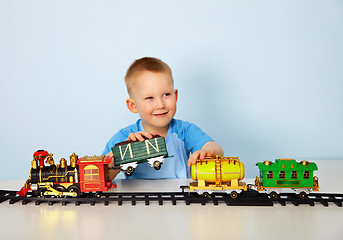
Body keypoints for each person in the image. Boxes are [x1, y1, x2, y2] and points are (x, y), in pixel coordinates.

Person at [102, 57, 223, 179]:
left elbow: (216, 149)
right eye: (150, 98)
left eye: (166, 95)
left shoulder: (185, 131)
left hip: (179, 197)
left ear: (175, 96)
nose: (160, 105)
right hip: (138, 198)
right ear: (133, 106)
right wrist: (121, 153)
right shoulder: (125, 136)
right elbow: (103, 175)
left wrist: (208, 152)